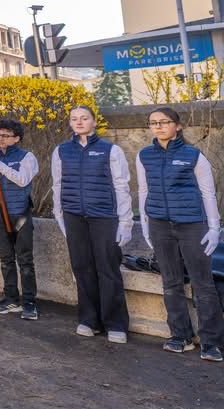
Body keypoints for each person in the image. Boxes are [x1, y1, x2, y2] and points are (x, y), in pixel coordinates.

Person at [136, 107, 222, 362]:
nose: (159, 127)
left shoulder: (193, 155)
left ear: (178, 126)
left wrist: (214, 228)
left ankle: (212, 342)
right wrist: (145, 225)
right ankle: (180, 336)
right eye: (153, 123)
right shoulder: (144, 156)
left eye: (164, 122)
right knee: (171, 282)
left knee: (202, 283)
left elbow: (208, 194)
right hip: (160, 224)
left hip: (191, 225)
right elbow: (142, 191)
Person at [52, 105, 133, 344]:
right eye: (74, 119)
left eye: (84, 118)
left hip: (104, 216)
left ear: (94, 121)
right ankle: (89, 320)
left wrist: (125, 221)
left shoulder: (111, 150)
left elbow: (122, 186)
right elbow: (57, 184)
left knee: (108, 269)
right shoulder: (61, 151)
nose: (79, 122)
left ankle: (116, 323)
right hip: (74, 216)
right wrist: (60, 214)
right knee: (82, 267)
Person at [0, 118, 40, 320]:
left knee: (25, 260)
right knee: (6, 260)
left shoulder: (27, 157)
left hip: (20, 214)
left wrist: (1, 166)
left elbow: (23, 180)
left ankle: (30, 302)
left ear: (16, 138)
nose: (1, 139)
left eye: (6, 136)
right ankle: (11, 298)